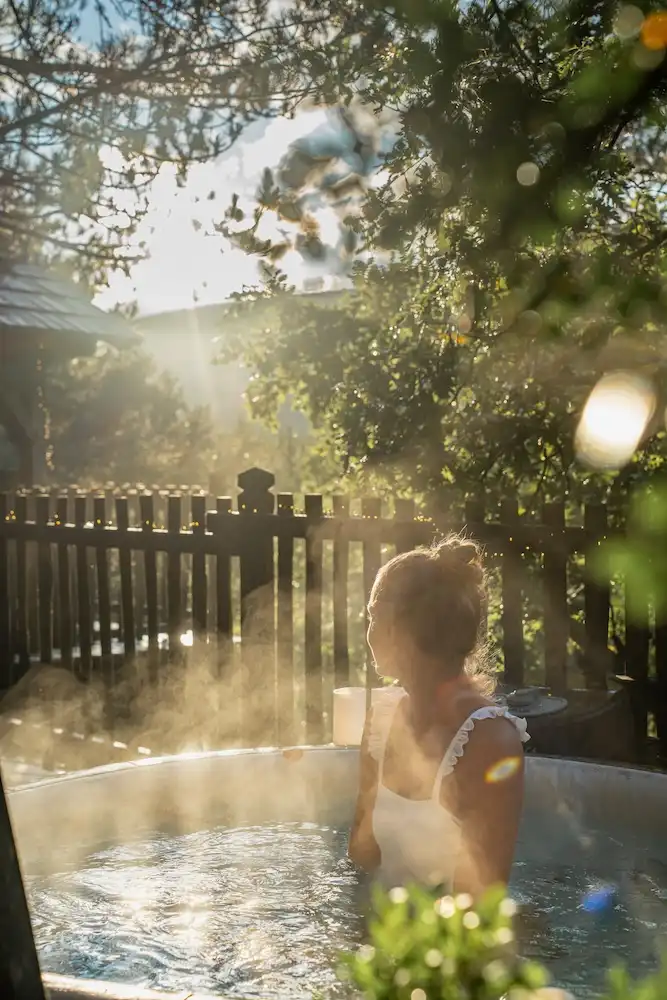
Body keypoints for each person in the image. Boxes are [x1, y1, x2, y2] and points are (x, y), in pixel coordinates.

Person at [348, 535, 529, 897]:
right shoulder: (383, 720)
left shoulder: (489, 742)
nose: (368, 632)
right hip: (388, 932)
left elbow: (481, 909)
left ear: (398, 628)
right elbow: (361, 857)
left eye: (372, 616)